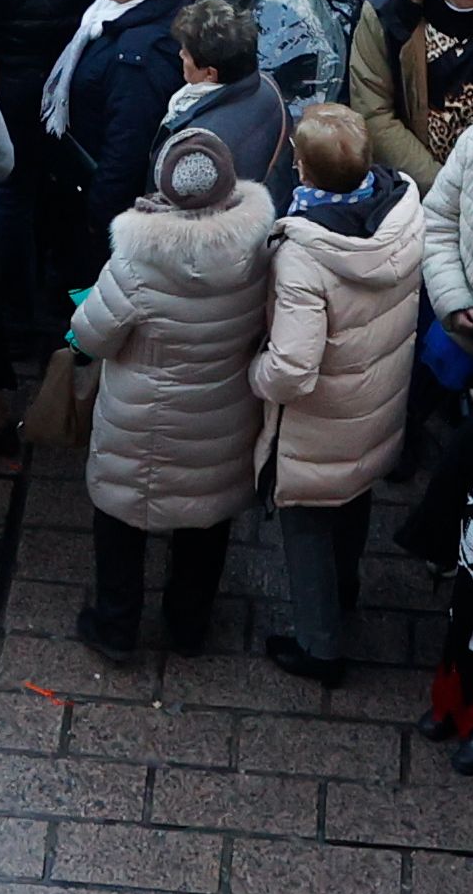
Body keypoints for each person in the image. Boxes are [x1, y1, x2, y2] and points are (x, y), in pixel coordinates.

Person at [68, 122, 277, 664]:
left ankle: (116, 627)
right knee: (205, 518)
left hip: (140, 419)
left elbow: (91, 335)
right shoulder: (259, 249)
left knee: (121, 516)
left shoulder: (136, 259)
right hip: (222, 414)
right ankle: (188, 625)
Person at [255, 96, 424, 685]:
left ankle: (319, 647)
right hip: (376, 402)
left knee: (304, 527)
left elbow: (292, 369)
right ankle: (344, 590)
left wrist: (257, 375)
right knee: (353, 493)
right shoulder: (402, 210)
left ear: (303, 169)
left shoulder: (304, 254)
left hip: (319, 421)